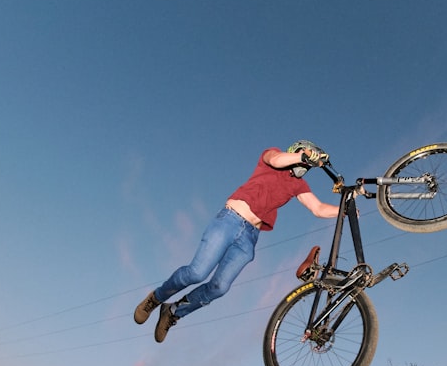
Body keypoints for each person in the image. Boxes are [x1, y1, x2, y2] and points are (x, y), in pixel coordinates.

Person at [134, 140, 338, 343]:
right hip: (230, 220)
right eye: (306, 153)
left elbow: (318, 208)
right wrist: (303, 156)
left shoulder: (298, 185)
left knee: (219, 287)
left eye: (310, 159)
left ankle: (173, 312)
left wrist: (345, 208)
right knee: (197, 272)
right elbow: (276, 160)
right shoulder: (272, 155)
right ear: (295, 150)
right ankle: (156, 298)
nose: (307, 160)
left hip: (249, 238)